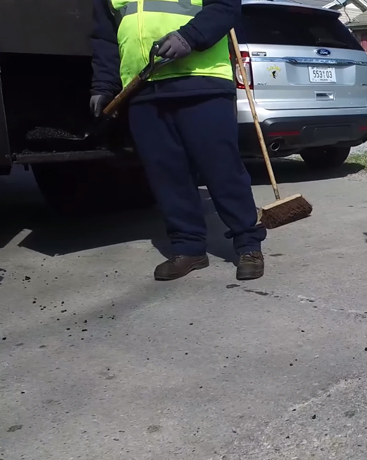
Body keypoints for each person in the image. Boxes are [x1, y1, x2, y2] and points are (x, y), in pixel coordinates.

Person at [90, 0, 266, 281]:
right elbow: (105, 36)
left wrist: (189, 36)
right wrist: (103, 84)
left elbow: (225, 7)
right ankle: (189, 248)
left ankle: (248, 244)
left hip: (201, 81)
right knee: (166, 173)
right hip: (143, 86)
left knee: (222, 169)